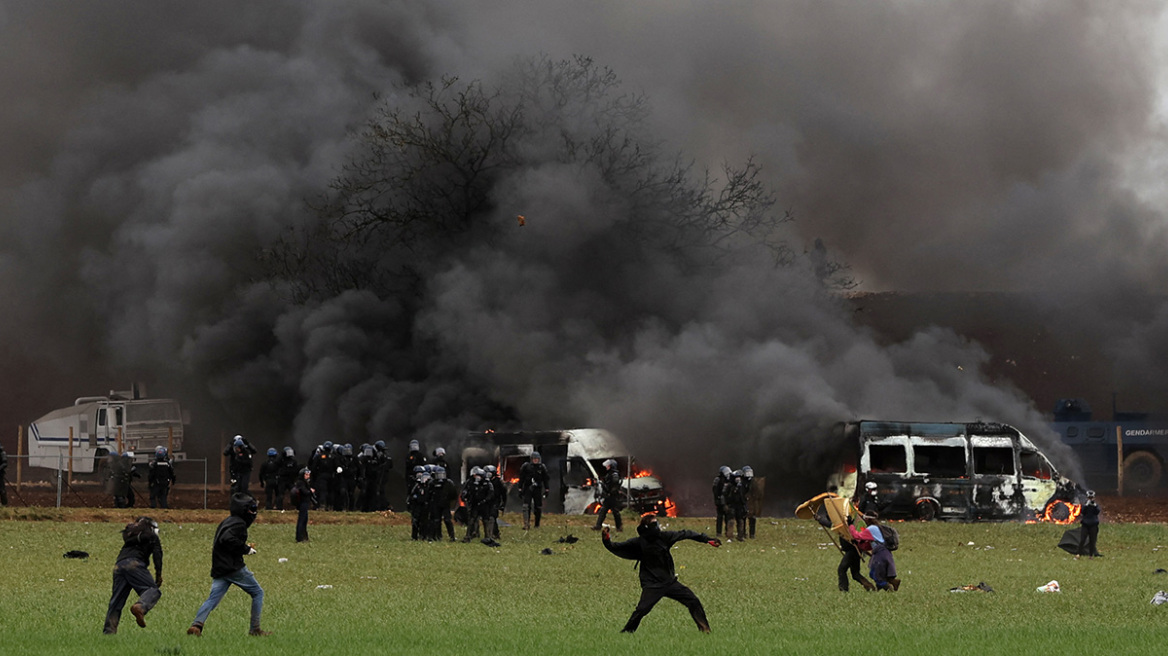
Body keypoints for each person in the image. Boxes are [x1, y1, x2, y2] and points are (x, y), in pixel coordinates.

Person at [602, 513, 721, 633]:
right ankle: (627, 632)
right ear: (647, 527)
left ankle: (705, 629)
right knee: (642, 610)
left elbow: (686, 533)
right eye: (654, 524)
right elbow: (616, 547)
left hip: (669, 582)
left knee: (693, 601)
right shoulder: (638, 542)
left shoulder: (664, 537)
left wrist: (707, 540)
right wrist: (606, 539)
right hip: (652, 585)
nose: (657, 526)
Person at [188, 493, 269, 637]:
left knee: (212, 599)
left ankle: (197, 625)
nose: (254, 512)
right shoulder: (239, 524)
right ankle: (255, 629)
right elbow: (227, 539)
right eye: (252, 508)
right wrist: (246, 549)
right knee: (258, 593)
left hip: (220, 567)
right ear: (244, 510)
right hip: (233, 568)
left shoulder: (228, 521)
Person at [103, 516, 163, 634]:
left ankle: (109, 632)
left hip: (119, 565)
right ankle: (140, 606)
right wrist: (158, 575)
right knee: (153, 590)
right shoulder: (152, 537)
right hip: (135, 564)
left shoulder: (131, 537)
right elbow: (158, 555)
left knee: (116, 601)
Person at [862, 525, 900, 591]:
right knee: (875, 573)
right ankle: (891, 582)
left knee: (876, 574)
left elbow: (858, 536)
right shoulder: (877, 528)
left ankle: (887, 587)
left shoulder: (872, 528)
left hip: (880, 554)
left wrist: (851, 526)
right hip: (880, 553)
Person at [461, 467, 494, 542]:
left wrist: (485, 500)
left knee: (485, 520)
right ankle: (468, 536)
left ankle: (487, 536)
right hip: (474, 503)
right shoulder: (470, 482)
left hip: (484, 504)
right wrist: (464, 496)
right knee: (472, 520)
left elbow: (491, 493)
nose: (476, 477)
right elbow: (466, 490)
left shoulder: (487, 483)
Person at [519, 452, 550, 530]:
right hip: (527, 488)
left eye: (537, 459)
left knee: (538, 507)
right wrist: (520, 488)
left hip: (538, 489)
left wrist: (547, 489)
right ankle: (526, 524)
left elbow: (546, 479)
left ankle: (537, 524)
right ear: (531, 459)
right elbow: (521, 478)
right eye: (534, 459)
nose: (535, 460)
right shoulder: (526, 466)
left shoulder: (542, 467)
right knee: (526, 506)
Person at [593, 459, 624, 532]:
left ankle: (619, 527)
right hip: (609, 496)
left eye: (608, 465)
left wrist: (602, 484)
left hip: (612, 497)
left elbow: (612, 487)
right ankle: (598, 526)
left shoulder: (614, 475)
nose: (607, 467)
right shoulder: (610, 474)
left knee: (615, 512)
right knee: (603, 511)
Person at [724, 470, 749, 541]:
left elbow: (743, 496)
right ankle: (730, 536)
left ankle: (740, 536)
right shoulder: (729, 485)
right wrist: (725, 505)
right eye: (736, 477)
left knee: (740, 520)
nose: (738, 479)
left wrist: (744, 505)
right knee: (731, 521)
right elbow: (724, 495)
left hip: (740, 505)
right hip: (731, 505)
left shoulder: (742, 486)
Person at [1077, 490, 1102, 559]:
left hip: (1093, 524)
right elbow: (1082, 512)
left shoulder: (1095, 505)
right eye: (1089, 498)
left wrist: (1094, 506)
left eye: (1092, 498)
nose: (1090, 499)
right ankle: (1078, 554)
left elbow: (1097, 512)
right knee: (1082, 540)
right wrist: (1086, 505)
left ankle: (1091, 555)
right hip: (1085, 524)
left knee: (1092, 540)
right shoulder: (1085, 504)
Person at [292, 468, 314, 543]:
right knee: (301, 520)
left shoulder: (304, 482)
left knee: (304, 520)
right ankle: (299, 537)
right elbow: (305, 492)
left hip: (305, 502)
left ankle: (304, 536)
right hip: (302, 503)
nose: (308, 476)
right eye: (306, 475)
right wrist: (310, 491)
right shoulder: (301, 483)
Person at [743, 465, 763, 539]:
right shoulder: (742, 482)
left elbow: (758, 493)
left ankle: (752, 534)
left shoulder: (753, 482)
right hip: (744, 502)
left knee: (752, 519)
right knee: (743, 518)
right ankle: (743, 533)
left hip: (752, 503)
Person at [712, 466, 731, 537]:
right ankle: (719, 532)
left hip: (727, 501)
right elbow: (715, 491)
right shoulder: (718, 480)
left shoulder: (728, 481)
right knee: (720, 517)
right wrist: (718, 500)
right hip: (719, 501)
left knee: (727, 517)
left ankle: (727, 532)